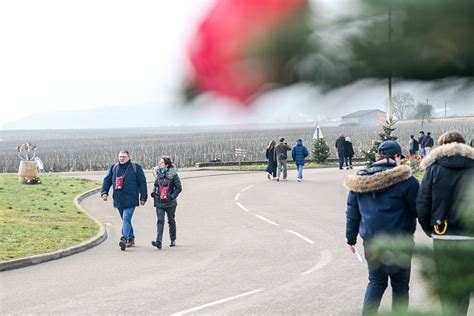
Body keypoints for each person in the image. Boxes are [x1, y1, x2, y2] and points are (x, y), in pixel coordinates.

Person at [344, 141, 419, 315]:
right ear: (396, 157)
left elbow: (352, 212)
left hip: (372, 242)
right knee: (400, 286)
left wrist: (350, 238)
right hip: (400, 241)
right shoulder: (406, 180)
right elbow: (418, 209)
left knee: (376, 282)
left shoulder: (360, 180)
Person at [416, 131, 474, 315]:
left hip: (443, 233)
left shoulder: (433, 168)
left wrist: (430, 229)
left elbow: (423, 203)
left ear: (441, 146)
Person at [101, 151, 147, 251]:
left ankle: (124, 239)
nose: (121, 158)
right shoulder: (114, 167)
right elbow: (107, 180)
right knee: (126, 219)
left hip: (131, 198)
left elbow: (142, 183)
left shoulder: (135, 167)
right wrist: (104, 192)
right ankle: (131, 238)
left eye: (124, 157)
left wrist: (143, 197)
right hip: (118, 199)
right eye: (120, 157)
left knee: (126, 218)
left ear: (129, 157)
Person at [151, 156, 182, 249]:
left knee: (171, 221)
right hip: (159, 201)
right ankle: (158, 242)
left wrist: (172, 196)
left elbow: (179, 187)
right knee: (160, 221)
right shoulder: (158, 174)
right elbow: (156, 185)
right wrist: (153, 192)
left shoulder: (173, 175)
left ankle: (173, 239)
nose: (159, 163)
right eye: (159, 162)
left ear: (166, 164)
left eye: (161, 162)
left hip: (170, 203)